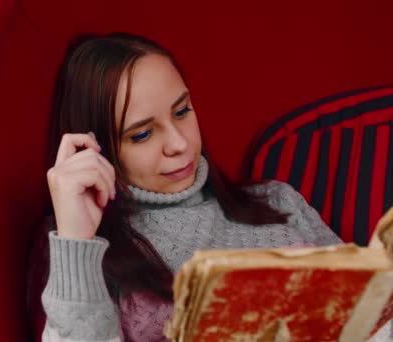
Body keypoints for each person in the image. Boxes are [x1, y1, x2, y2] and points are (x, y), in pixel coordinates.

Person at [27, 32, 391, 341]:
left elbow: (370, 316)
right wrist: (76, 241)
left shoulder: (278, 200)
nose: (179, 144)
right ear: (97, 148)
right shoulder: (83, 248)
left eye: (182, 112)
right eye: (142, 134)